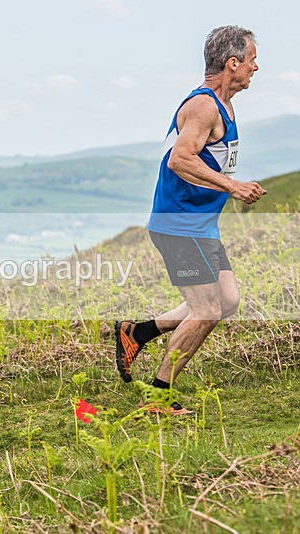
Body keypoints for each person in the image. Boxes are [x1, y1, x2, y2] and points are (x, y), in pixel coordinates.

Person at [114, 26, 266, 415]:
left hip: (200, 226)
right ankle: (160, 396)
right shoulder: (203, 107)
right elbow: (180, 159)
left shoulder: (223, 104)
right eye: (251, 60)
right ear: (232, 63)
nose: (256, 67)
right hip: (179, 226)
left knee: (226, 301)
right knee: (206, 310)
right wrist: (233, 186)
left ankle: (139, 331)